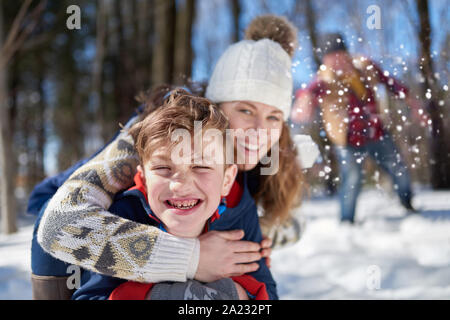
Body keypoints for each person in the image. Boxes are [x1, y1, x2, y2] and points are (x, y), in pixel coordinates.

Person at [30, 15, 316, 298]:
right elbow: (59, 225)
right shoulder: (158, 135)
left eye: (273, 117)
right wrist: (192, 257)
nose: (259, 130)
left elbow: (295, 221)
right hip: (61, 223)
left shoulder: (271, 152)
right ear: (214, 107)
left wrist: (253, 237)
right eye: (245, 110)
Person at [72, 89, 274, 300]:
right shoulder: (123, 217)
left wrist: (237, 292)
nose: (180, 185)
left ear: (226, 180)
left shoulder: (238, 218)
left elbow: (268, 292)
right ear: (144, 179)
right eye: (163, 168)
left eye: (200, 166)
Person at [291, 33, 426, 224]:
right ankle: (347, 221)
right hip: (348, 141)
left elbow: (391, 83)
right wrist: (303, 102)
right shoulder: (325, 79)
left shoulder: (365, 68)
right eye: (331, 59)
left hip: (377, 133)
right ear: (325, 61)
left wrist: (412, 101)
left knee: (399, 169)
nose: (336, 62)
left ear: (346, 54)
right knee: (352, 179)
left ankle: (408, 204)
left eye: (339, 56)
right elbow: (308, 91)